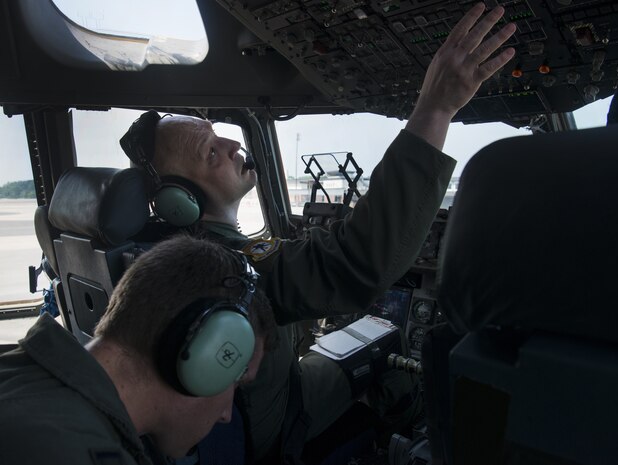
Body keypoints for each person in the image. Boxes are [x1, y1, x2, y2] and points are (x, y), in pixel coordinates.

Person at [126, 3, 517, 461]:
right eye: (210, 152)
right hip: (271, 419)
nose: (234, 145)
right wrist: (436, 108)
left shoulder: (151, 255)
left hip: (255, 403)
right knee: (393, 361)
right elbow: (359, 261)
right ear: (180, 202)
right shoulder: (221, 270)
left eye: (220, 133)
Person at [0, 235, 277, 465]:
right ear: (202, 354)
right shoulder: (74, 452)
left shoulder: (19, 371)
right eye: (234, 381)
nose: (226, 414)